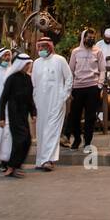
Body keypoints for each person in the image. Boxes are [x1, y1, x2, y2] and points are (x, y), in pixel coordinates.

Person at [30, 37, 72, 171]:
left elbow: (69, 78)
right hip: (40, 102)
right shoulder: (36, 63)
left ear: (50, 47)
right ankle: (41, 160)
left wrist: (64, 96)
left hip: (56, 101)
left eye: (44, 47)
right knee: (42, 131)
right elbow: (34, 83)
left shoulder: (60, 60)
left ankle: (48, 159)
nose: (41, 49)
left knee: (52, 130)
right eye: (39, 47)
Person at [64, 28, 104, 151]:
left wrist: (99, 85)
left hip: (92, 87)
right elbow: (70, 70)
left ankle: (87, 142)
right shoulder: (75, 52)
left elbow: (102, 69)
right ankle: (77, 138)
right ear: (83, 38)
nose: (91, 39)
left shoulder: (98, 51)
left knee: (90, 117)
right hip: (77, 87)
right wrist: (69, 89)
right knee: (74, 116)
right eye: (88, 37)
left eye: (92, 37)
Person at [0, 53, 36, 178]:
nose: (28, 66)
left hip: (24, 113)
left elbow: (30, 98)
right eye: (26, 64)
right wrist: (1, 117)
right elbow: (3, 99)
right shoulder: (12, 78)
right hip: (14, 112)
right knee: (20, 140)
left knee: (27, 140)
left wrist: (33, 112)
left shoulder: (28, 79)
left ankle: (15, 166)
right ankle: (11, 166)